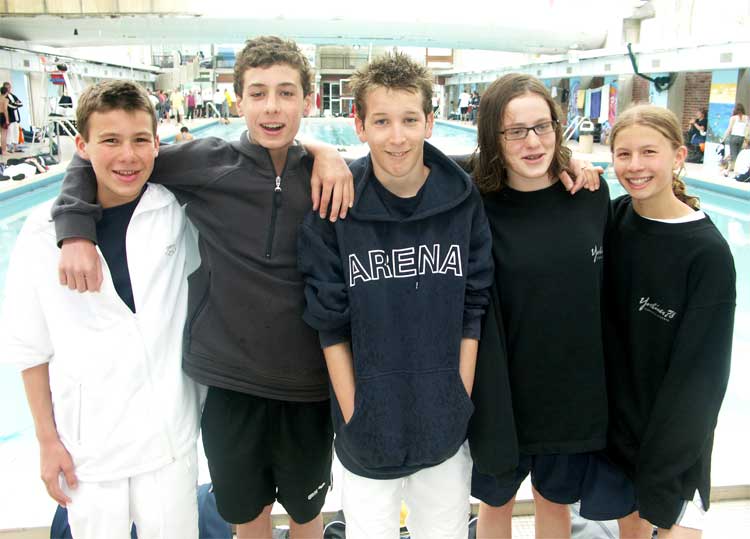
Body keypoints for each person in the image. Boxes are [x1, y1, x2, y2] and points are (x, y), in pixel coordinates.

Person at [50, 36, 353, 539]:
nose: (272, 107)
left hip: (307, 384)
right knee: (247, 515)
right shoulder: (209, 161)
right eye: (258, 93)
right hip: (230, 382)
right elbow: (103, 157)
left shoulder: (329, 177)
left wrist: (325, 152)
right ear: (239, 100)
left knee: (307, 514)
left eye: (286, 93)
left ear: (309, 100)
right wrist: (76, 229)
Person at [298, 51, 494, 539]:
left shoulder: (461, 199)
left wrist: (458, 399)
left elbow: (473, 305)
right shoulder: (335, 205)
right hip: (366, 427)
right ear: (359, 125)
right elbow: (329, 322)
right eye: (382, 121)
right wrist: (355, 415)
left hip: (445, 423)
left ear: (430, 121)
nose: (397, 136)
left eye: (409, 119)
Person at [0, 80, 202, 539]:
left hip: (169, 442)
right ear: (82, 146)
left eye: (140, 140)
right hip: (89, 451)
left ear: (157, 144)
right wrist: (47, 441)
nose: (127, 156)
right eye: (110, 140)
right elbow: (30, 347)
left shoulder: (174, 212)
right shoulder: (40, 233)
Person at [468, 73, 615, 539]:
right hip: (500, 395)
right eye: (515, 131)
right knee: (496, 503)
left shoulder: (589, 195)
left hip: (569, 393)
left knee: (556, 504)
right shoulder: (475, 203)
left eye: (542, 126)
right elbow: (413, 160)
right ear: (493, 136)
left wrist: (576, 161)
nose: (533, 142)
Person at [605, 104, 736, 539]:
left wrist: (666, 464)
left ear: (679, 156)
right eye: (624, 154)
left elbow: (703, 378)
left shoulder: (706, 254)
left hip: (675, 443)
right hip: (619, 435)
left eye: (649, 152)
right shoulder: (615, 220)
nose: (635, 166)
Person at [721, 103, 748, 175]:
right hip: (742, 138)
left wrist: (723, 138)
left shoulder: (733, 118)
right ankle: (731, 169)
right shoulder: (747, 118)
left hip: (734, 137)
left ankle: (728, 171)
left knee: (733, 155)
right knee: (738, 155)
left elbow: (729, 129)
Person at [3, 81, 22, 153]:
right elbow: (10, 106)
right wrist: (15, 104)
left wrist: (15, 104)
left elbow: (20, 103)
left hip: (16, 116)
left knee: (16, 132)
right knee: (9, 132)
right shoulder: (4, 97)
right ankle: (8, 147)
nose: (8, 89)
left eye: (9, 87)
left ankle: (15, 147)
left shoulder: (13, 95)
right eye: (7, 88)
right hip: (10, 117)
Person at [0, 85, 8, 157]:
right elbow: (5, 110)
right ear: (6, 92)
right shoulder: (5, 100)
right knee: (3, 135)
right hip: (2, 116)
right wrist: (7, 120)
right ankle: (4, 151)